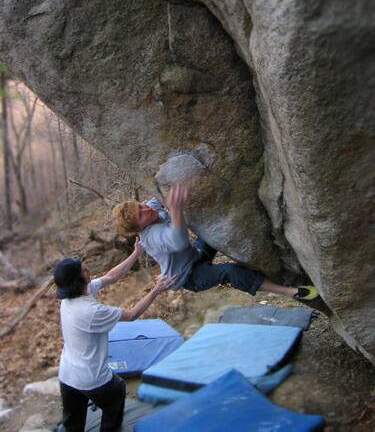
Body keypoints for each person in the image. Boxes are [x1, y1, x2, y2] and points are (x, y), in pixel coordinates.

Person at [113, 184, 319, 301]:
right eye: (141, 215)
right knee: (229, 273)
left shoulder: (149, 207)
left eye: (140, 206)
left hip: (196, 254)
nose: (145, 209)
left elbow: (159, 192)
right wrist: (176, 211)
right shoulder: (152, 237)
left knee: (214, 230)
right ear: (139, 228)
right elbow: (178, 241)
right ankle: (291, 292)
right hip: (188, 276)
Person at [53, 240, 176, 432]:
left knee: (72, 424)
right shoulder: (91, 311)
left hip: (67, 375)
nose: (86, 267)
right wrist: (156, 290)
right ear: (81, 278)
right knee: (117, 391)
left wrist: (136, 253)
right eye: (82, 268)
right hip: (92, 379)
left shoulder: (70, 297)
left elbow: (111, 276)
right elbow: (132, 314)